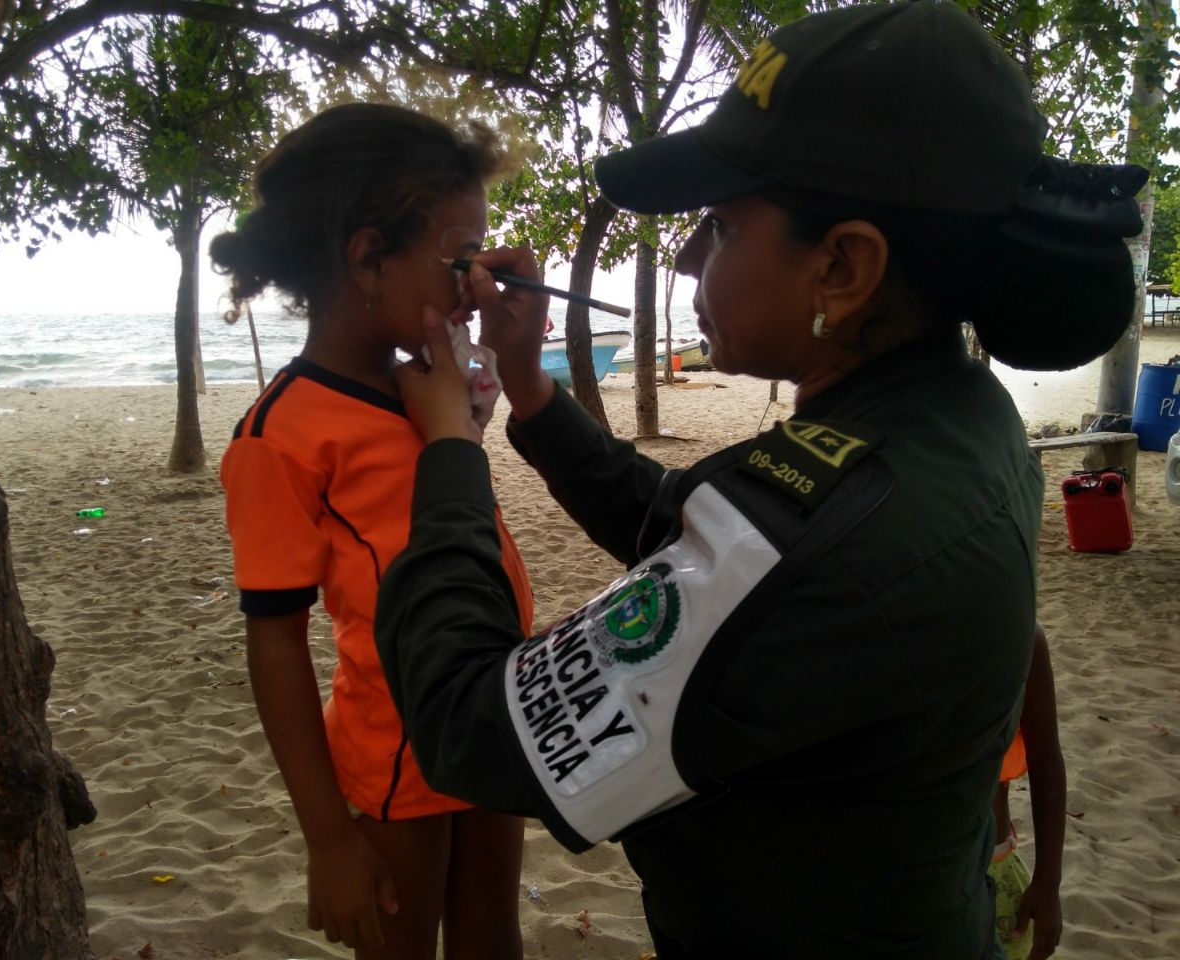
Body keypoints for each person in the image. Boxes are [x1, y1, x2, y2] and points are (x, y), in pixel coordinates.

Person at [370, 4, 1146, 958]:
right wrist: (530, 389)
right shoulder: (957, 416)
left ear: (843, 268)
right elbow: (685, 526)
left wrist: (449, 450)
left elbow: (466, 726)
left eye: (723, 225)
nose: (690, 256)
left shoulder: (824, 536)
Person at [210, 102, 533, 959]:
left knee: (492, 939)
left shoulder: (428, 385)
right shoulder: (280, 436)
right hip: (399, 747)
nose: (478, 285)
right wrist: (328, 839)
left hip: (497, 708)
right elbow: (275, 642)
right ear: (368, 259)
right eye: (462, 259)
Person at [990, 624, 1067, 960]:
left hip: (993, 864)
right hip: (907, 875)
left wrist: (1048, 883)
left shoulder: (1018, 638)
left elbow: (1046, 760)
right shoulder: (891, 637)